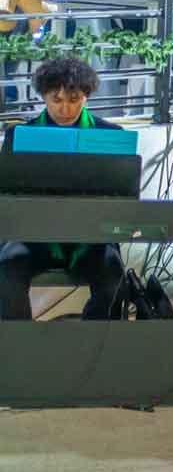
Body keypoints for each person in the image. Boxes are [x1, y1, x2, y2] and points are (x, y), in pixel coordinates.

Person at [0, 58, 128, 322]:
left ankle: (91, 346)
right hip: (33, 238)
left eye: (74, 99)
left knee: (112, 274)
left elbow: (122, 195)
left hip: (89, 238)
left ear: (86, 96)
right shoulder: (20, 135)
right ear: (44, 97)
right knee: (9, 265)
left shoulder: (111, 135)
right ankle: (20, 347)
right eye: (56, 100)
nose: (65, 108)